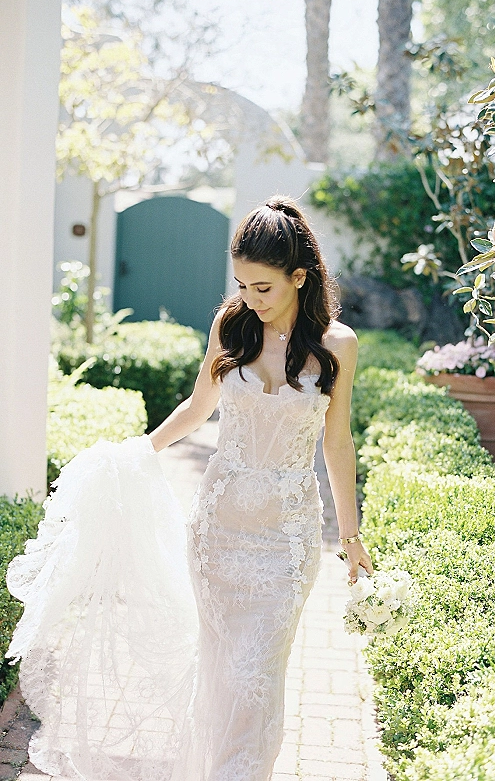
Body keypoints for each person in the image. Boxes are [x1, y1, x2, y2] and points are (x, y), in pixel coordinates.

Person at [6, 196, 373, 781]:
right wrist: (139, 449)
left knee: (259, 678)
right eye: (243, 285)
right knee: (224, 672)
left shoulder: (338, 346)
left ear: (299, 277)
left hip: (286, 542)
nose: (250, 299)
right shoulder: (232, 326)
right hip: (219, 534)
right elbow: (200, 406)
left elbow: (337, 442)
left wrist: (350, 536)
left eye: (264, 288)